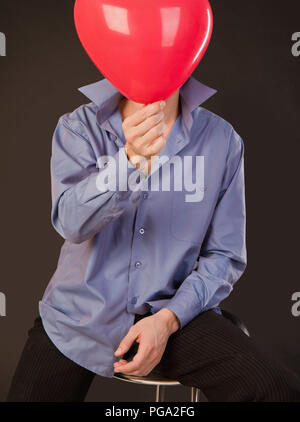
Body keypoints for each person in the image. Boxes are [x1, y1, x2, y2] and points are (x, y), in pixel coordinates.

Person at [6, 75, 300, 402]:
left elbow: (224, 256)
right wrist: (129, 161)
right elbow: (71, 223)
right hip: (79, 315)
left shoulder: (222, 140)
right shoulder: (79, 127)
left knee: (275, 389)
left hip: (175, 313)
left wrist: (167, 321)